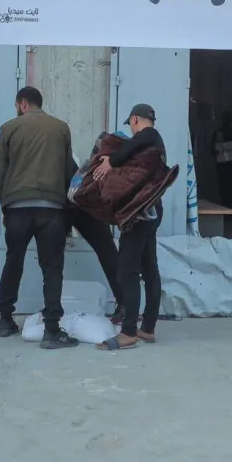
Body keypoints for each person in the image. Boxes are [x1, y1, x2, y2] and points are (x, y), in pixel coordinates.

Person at [0, 86, 78, 349]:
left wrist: (6, 204)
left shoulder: (9, 128)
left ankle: (5, 320)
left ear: (22, 104)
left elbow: (0, 171)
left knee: (13, 261)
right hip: (51, 208)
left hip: (17, 207)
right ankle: (51, 329)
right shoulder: (61, 128)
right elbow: (69, 171)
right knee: (52, 267)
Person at [93, 103, 167, 351]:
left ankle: (128, 333)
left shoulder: (148, 136)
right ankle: (148, 328)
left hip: (139, 215)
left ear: (135, 119)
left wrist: (110, 162)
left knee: (127, 271)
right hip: (151, 213)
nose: (132, 129)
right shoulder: (154, 144)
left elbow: (132, 146)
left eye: (131, 124)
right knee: (149, 269)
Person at [68, 132, 125, 320]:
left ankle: (124, 303)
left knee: (52, 258)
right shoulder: (110, 166)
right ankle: (124, 303)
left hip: (71, 205)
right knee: (108, 252)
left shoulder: (87, 165)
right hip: (83, 207)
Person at [211, 110, 232, 210]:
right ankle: (227, 210)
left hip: (230, 166)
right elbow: (212, 150)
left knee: (229, 190)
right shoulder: (219, 133)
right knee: (226, 190)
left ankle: (229, 210)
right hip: (225, 167)